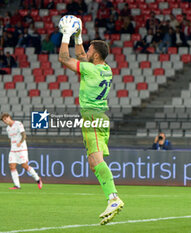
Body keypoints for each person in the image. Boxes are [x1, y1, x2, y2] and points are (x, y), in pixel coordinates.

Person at [58, 16, 123, 225]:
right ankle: (111, 198)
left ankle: (113, 198)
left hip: (91, 118)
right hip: (102, 118)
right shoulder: (106, 70)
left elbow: (64, 58)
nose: (86, 51)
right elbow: (81, 56)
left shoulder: (91, 69)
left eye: (89, 49)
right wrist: (79, 36)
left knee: (96, 161)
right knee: (93, 162)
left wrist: (67, 35)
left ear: (95, 54)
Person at [1, 113, 43, 190]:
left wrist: (20, 142)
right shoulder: (8, 129)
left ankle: (37, 179)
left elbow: (24, 135)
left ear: (9, 117)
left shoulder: (18, 124)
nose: (5, 121)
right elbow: (11, 139)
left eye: (5, 119)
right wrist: (12, 146)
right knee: (12, 166)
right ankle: (17, 185)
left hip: (21, 148)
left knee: (24, 166)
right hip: (13, 149)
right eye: (3, 120)